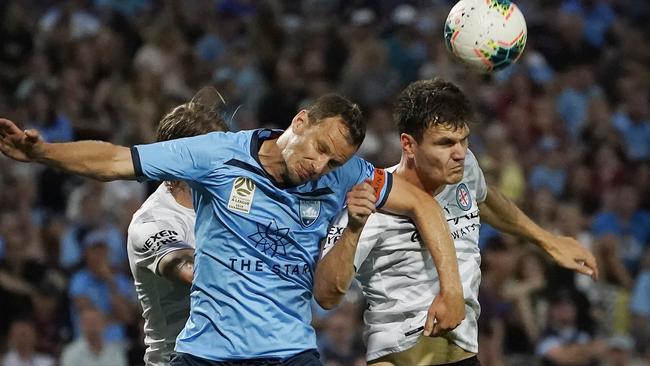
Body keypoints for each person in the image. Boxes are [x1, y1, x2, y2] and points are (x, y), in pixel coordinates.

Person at [0, 91, 464, 365]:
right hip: (207, 353)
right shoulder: (217, 155)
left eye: (333, 160)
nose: (319, 166)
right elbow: (117, 160)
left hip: (289, 353)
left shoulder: (346, 174)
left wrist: (452, 290)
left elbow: (424, 204)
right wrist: (44, 153)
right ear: (299, 122)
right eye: (319, 148)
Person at [316, 78, 598, 366]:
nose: (460, 152)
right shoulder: (373, 202)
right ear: (408, 145)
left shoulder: (463, 171)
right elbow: (326, 294)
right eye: (445, 143)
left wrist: (548, 241)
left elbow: (486, 200)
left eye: (464, 140)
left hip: (465, 357)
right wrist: (353, 229)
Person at [126, 88, 229, 365]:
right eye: (214, 154)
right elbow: (190, 270)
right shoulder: (152, 222)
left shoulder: (229, 200)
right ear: (180, 161)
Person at [59, 307, 128, 366]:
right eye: (88, 323)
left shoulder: (115, 351)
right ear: (81, 326)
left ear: (104, 324)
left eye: (95, 322)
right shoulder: (71, 353)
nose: (93, 327)